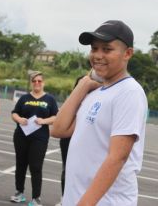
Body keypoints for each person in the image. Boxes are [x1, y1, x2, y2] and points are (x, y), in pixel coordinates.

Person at [51, 20, 148, 205]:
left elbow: (117, 157)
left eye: (107, 49)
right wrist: (84, 83)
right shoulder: (97, 91)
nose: (97, 55)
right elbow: (59, 129)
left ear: (127, 53)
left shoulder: (129, 92)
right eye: (94, 49)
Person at [10, 71, 58, 205]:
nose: (37, 83)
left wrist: (44, 121)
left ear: (43, 83)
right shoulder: (24, 98)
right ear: (31, 83)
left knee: (36, 166)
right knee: (21, 164)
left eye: (39, 81)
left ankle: (36, 198)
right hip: (21, 136)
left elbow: (56, 117)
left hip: (40, 138)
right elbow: (14, 113)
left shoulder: (50, 99)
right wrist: (19, 119)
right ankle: (19, 192)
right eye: (34, 81)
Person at [54, 76, 84, 206]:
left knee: (82, 171)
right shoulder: (72, 102)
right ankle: (64, 198)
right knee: (67, 169)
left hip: (84, 141)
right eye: (80, 85)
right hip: (67, 139)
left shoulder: (95, 100)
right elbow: (59, 122)